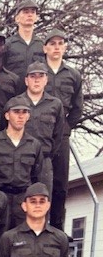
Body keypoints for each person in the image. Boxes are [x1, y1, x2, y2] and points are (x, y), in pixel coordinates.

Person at [43, 29, 83, 231]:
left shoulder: (73, 75)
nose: (56, 47)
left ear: (65, 47)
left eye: (60, 43)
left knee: (60, 182)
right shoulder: (37, 72)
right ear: (45, 48)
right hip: (39, 131)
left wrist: (65, 128)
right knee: (38, 179)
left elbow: (77, 108)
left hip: (61, 135)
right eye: (52, 44)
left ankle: (57, 228)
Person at [0, 97, 44, 228]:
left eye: (24, 112)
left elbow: (37, 176)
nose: (20, 116)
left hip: (22, 201)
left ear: (28, 116)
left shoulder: (34, 145)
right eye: (16, 112)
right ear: (7, 115)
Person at [13, 62, 66, 200]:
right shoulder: (15, 103)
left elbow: (58, 135)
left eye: (40, 76)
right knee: (19, 201)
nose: (36, 80)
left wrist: (47, 155)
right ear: (26, 80)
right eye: (33, 76)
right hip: (20, 160)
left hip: (44, 161)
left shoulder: (55, 104)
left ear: (46, 79)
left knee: (42, 201)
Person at [4, 0, 45, 80]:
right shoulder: (7, 44)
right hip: (13, 87)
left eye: (33, 12)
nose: (30, 15)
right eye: (26, 12)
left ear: (36, 18)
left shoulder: (42, 45)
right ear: (17, 18)